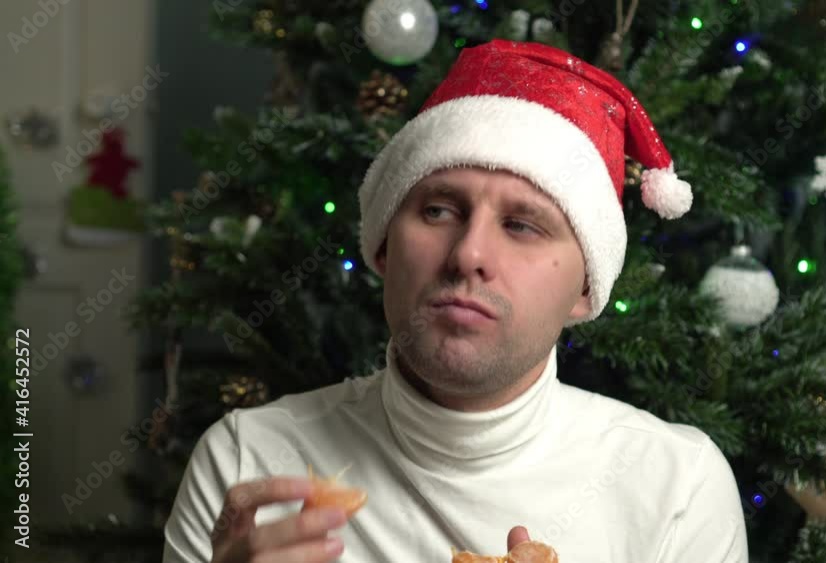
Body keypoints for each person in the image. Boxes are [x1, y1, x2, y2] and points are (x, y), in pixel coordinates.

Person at [163, 39, 748, 563]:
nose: (469, 254)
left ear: (585, 290)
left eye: (522, 225)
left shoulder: (676, 488)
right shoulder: (248, 465)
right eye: (439, 210)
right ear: (384, 246)